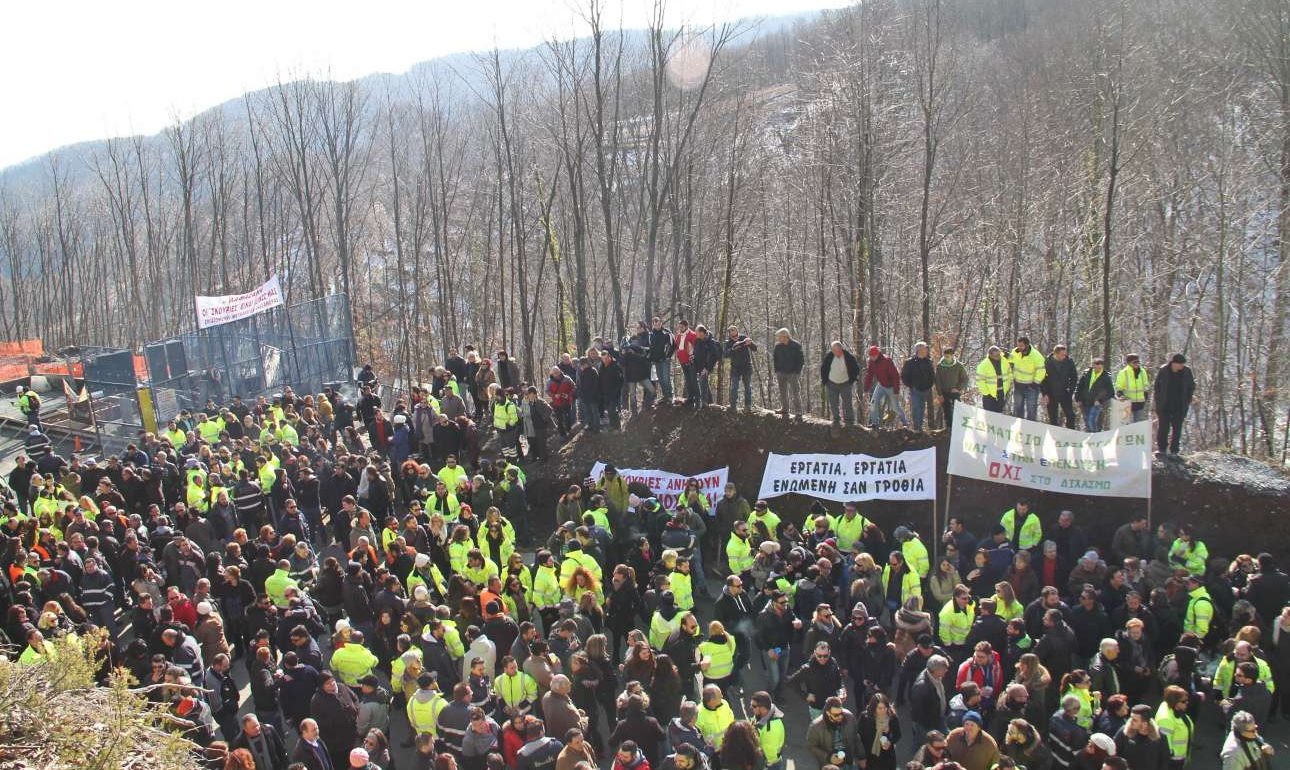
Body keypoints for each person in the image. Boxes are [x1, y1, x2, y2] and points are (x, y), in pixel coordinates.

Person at [1154, 353, 1195, 456]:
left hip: (1179, 405)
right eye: (1180, 364)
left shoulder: (1187, 372)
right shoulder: (1163, 371)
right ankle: (1162, 448)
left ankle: (1174, 450)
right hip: (1165, 405)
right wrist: (1158, 402)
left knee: (1177, 428)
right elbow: (1157, 387)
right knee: (1163, 427)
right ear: (1174, 363)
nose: (1182, 366)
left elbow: (1191, 387)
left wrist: (1187, 400)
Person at [805, 697, 862, 770]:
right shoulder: (816, 726)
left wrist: (862, 756)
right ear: (828, 713)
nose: (840, 716)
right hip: (830, 765)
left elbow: (856, 736)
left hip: (849, 761)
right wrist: (828, 756)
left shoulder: (849, 717)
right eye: (836, 715)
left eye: (841, 713)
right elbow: (811, 746)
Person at [864, 345, 907, 429]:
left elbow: (895, 376)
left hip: (891, 387)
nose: (871, 358)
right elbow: (869, 375)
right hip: (881, 385)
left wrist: (896, 391)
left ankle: (905, 423)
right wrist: (865, 390)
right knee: (873, 403)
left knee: (895, 407)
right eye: (870, 356)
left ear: (877, 354)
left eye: (873, 356)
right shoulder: (871, 362)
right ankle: (874, 424)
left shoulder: (887, 361)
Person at [820, 341, 860, 427]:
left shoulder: (848, 357)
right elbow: (823, 368)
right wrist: (825, 381)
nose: (836, 353)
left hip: (845, 383)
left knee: (847, 403)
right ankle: (836, 419)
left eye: (838, 351)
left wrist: (852, 380)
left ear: (841, 349)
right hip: (831, 383)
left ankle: (849, 421)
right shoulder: (829, 357)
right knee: (833, 402)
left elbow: (856, 369)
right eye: (834, 351)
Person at [1007, 337, 1046, 420]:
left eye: (1021, 346)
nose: (1019, 347)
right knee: (1017, 408)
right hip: (1018, 385)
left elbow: (1041, 371)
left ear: (1027, 345)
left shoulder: (1036, 355)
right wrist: (1006, 356)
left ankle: (1030, 430)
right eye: (1018, 345)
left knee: (1031, 410)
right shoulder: (1015, 351)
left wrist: (1035, 383)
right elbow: (1011, 361)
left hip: (1031, 387)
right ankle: (1018, 429)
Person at [902, 342, 936, 432]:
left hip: (925, 390)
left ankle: (919, 428)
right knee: (916, 407)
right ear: (919, 350)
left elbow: (932, 376)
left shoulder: (929, 362)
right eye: (924, 349)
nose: (926, 351)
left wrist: (929, 386)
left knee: (921, 409)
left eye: (926, 349)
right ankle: (916, 427)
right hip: (915, 390)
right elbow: (904, 376)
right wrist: (911, 386)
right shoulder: (910, 362)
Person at [771, 328, 804, 419]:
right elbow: (775, 359)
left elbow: (801, 360)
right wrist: (777, 371)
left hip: (793, 373)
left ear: (785, 336)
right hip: (781, 373)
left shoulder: (796, 345)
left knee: (795, 392)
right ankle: (785, 409)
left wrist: (797, 372)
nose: (778, 339)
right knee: (783, 392)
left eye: (779, 337)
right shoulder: (778, 346)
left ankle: (798, 411)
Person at [1042, 344, 1078, 428]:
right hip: (1051, 393)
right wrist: (1045, 394)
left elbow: (1074, 377)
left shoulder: (1069, 362)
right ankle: (1055, 437)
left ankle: (1070, 434)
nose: (1064, 356)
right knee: (1053, 418)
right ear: (1056, 354)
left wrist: (1070, 390)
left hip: (1065, 393)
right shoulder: (1047, 362)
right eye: (1062, 355)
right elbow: (1042, 379)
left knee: (1071, 416)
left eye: (1065, 354)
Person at [723, 326, 758, 411]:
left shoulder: (744, 338)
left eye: (734, 331)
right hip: (735, 368)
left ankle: (748, 406)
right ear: (729, 334)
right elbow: (725, 354)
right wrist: (733, 349)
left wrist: (750, 343)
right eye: (731, 332)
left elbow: (755, 348)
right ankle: (733, 406)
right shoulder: (728, 342)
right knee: (734, 387)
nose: (733, 335)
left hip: (746, 367)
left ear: (737, 331)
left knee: (748, 387)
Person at [1075, 358, 1114, 432]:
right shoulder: (1086, 373)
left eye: (1100, 368)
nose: (1098, 369)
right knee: (1087, 422)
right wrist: (1078, 399)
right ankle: (1090, 438)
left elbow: (1111, 392)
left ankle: (1095, 437)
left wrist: (1100, 400)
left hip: (1096, 403)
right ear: (1093, 366)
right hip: (1085, 401)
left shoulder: (1106, 377)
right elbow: (1079, 386)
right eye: (1096, 367)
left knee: (1091, 420)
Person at [935, 347, 969, 425]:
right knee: (947, 411)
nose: (946, 358)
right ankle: (949, 427)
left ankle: (959, 426)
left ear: (952, 356)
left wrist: (958, 388)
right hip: (944, 392)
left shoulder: (959, 366)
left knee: (957, 409)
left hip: (954, 392)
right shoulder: (940, 366)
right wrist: (939, 394)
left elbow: (965, 379)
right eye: (945, 356)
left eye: (948, 356)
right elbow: (937, 380)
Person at [1114, 354, 1150, 423]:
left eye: (1138, 362)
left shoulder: (1142, 372)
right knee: (1127, 424)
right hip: (1128, 403)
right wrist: (1120, 395)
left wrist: (1145, 395)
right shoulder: (1123, 373)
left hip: (1140, 403)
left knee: (1138, 423)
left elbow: (1146, 385)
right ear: (1129, 363)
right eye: (1134, 362)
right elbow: (1119, 387)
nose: (1137, 364)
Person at [976, 346, 1013, 414]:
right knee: (989, 415)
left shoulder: (1004, 360)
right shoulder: (984, 365)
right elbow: (980, 380)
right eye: (996, 355)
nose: (998, 356)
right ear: (990, 355)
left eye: (999, 354)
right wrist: (986, 393)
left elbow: (1009, 372)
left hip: (1002, 393)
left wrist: (1009, 384)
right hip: (989, 395)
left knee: (999, 414)